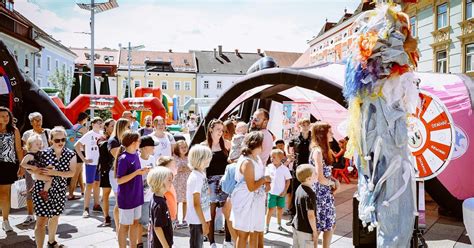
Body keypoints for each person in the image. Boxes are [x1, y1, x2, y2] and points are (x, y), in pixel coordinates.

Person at [32, 126, 77, 248]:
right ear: (51, 140)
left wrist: (54, 172)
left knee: (55, 217)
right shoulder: (42, 154)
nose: (61, 142)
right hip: (43, 190)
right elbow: (34, 173)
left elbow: (72, 173)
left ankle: (51, 241)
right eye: (57, 140)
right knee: (41, 221)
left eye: (63, 140)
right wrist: (46, 174)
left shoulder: (70, 154)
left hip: (60, 190)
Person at [231, 131, 271, 248]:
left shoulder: (256, 158)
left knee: (254, 232)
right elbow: (251, 187)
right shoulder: (247, 162)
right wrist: (264, 180)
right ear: (257, 144)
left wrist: (266, 183)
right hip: (245, 200)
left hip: (255, 200)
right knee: (243, 234)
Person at [201, 119, 234, 248]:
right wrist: (205, 186)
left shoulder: (227, 144)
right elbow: (202, 167)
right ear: (211, 130)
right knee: (211, 213)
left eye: (222, 130)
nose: (221, 132)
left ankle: (227, 240)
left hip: (225, 181)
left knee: (227, 211)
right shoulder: (204, 146)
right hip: (210, 181)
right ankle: (211, 242)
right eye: (218, 130)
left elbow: (231, 162)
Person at [116, 131, 149, 248]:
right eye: (139, 140)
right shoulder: (124, 158)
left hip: (137, 195)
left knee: (135, 223)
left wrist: (142, 171)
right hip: (127, 197)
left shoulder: (135, 154)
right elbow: (119, 180)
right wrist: (136, 173)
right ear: (133, 142)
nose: (140, 142)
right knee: (124, 225)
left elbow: (136, 173)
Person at [310, 122, 338, 248]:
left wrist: (333, 180)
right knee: (319, 227)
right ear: (322, 134)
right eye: (329, 131)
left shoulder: (323, 150)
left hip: (325, 194)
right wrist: (332, 182)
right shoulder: (318, 151)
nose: (332, 134)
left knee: (329, 225)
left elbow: (324, 175)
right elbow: (320, 178)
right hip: (320, 195)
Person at [21, 112, 52, 226]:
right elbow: (25, 151)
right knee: (30, 189)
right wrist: (24, 167)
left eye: (40, 119)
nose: (38, 122)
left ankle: (47, 215)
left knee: (47, 190)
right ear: (31, 122)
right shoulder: (27, 134)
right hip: (31, 166)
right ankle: (30, 215)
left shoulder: (48, 132)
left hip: (45, 166)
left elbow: (52, 149)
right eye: (35, 120)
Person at [0, 107, 24, 232]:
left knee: (5, 194)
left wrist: (22, 165)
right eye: (2, 116)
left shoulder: (14, 130)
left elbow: (19, 149)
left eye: (7, 116)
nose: (5, 118)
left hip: (7, 165)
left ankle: (5, 220)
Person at [75, 117, 104, 218]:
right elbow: (76, 146)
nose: (100, 124)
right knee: (89, 185)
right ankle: (85, 208)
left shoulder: (102, 135)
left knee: (97, 184)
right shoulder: (89, 134)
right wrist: (84, 159)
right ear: (93, 124)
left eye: (101, 123)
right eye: (98, 123)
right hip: (90, 164)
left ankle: (96, 205)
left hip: (99, 164)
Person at [186, 144, 212, 248]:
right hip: (197, 220)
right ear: (200, 159)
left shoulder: (201, 174)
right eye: (208, 157)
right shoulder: (196, 177)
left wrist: (206, 220)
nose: (210, 158)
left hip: (201, 219)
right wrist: (204, 222)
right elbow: (196, 203)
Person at [108, 118, 131, 231]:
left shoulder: (124, 140)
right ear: (122, 127)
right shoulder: (113, 141)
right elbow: (119, 157)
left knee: (124, 201)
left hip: (125, 173)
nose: (130, 129)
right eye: (128, 127)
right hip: (116, 173)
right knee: (119, 201)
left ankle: (123, 226)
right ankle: (118, 227)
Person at [288, 118, 312, 221]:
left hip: (310, 167)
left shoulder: (313, 137)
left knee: (309, 190)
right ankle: (293, 214)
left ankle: (308, 213)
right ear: (299, 126)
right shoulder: (296, 137)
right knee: (296, 189)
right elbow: (288, 144)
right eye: (303, 125)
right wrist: (289, 154)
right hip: (298, 167)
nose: (305, 127)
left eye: (307, 125)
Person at [265, 149, 292, 233]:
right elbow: (266, 178)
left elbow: (288, 180)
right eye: (271, 157)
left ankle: (279, 224)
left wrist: (285, 191)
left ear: (280, 158)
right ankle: (267, 226)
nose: (271, 159)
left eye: (274, 157)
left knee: (280, 209)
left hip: (281, 193)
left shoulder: (284, 169)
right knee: (270, 209)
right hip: (272, 192)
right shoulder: (269, 167)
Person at [147, 166, 174, 248]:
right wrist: (165, 246)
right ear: (160, 182)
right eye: (169, 180)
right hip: (160, 245)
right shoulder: (159, 203)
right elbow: (157, 228)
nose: (171, 182)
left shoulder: (156, 198)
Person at [292, 164, 318, 248]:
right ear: (309, 178)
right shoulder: (310, 194)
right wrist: (314, 231)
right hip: (305, 230)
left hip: (296, 225)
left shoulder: (300, 187)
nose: (317, 174)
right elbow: (310, 215)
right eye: (315, 173)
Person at [21, 135, 52, 201]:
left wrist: (48, 166)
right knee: (49, 179)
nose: (39, 145)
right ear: (30, 145)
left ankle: (34, 188)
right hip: (35, 173)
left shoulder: (40, 153)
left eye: (40, 144)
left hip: (40, 171)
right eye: (37, 144)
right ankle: (44, 192)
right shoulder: (29, 155)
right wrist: (31, 167)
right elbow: (22, 164)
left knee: (52, 174)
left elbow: (43, 161)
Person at [138, 135, 156, 247]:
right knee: (141, 222)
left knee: (149, 221)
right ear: (144, 147)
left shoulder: (152, 159)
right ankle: (139, 242)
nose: (154, 148)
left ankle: (149, 241)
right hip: (141, 197)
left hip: (151, 195)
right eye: (152, 146)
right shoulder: (137, 159)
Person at [97, 118, 115, 227]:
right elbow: (102, 146)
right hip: (106, 170)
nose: (114, 128)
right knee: (106, 194)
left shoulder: (119, 138)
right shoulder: (102, 139)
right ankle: (106, 217)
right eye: (112, 126)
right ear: (106, 127)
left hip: (117, 170)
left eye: (115, 125)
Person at [67, 112, 88, 200]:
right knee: (75, 174)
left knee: (79, 172)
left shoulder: (74, 126)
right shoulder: (83, 128)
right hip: (80, 151)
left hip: (72, 151)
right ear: (85, 119)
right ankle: (71, 194)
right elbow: (86, 142)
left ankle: (84, 190)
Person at [156, 156, 178, 228]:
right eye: (174, 166)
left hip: (171, 215)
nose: (176, 167)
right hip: (166, 216)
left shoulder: (170, 182)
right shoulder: (164, 183)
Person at [173, 140, 191, 228]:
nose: (184, 149)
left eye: (185, 147)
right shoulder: (174, 157)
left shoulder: (189, 157)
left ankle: (184, 219)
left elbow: (192, 167)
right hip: (177, 181)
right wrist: (180, 169)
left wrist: (188, 168)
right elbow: (173, 168)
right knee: (176, 201)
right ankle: (175, 219)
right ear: (177, 148)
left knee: (185, 201)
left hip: (186, 181)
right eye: (182, 147)